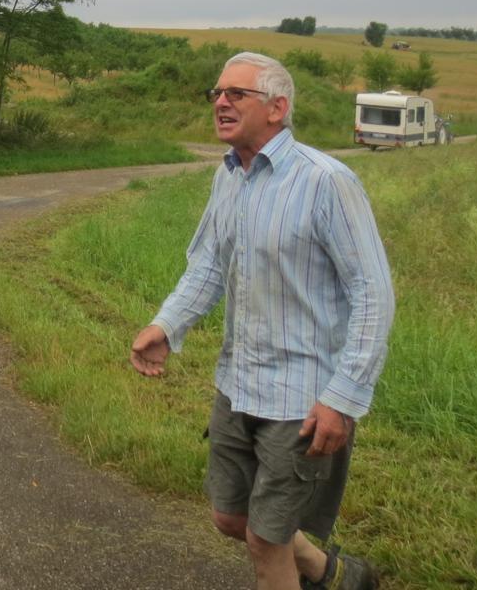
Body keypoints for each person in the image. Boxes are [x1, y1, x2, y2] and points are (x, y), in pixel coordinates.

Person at [129, 52, 394, 590]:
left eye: (236, 94)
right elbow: (207, 266)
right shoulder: (229, 178)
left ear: (278, 108)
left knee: (265, 541)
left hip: (302, 396)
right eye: (217, 93)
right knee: (231, 518)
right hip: (237, 384)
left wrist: (342, 398)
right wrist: (166, 326)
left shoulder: (327, 182)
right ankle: (334, 573)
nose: (220, 102)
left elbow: (373, 294)